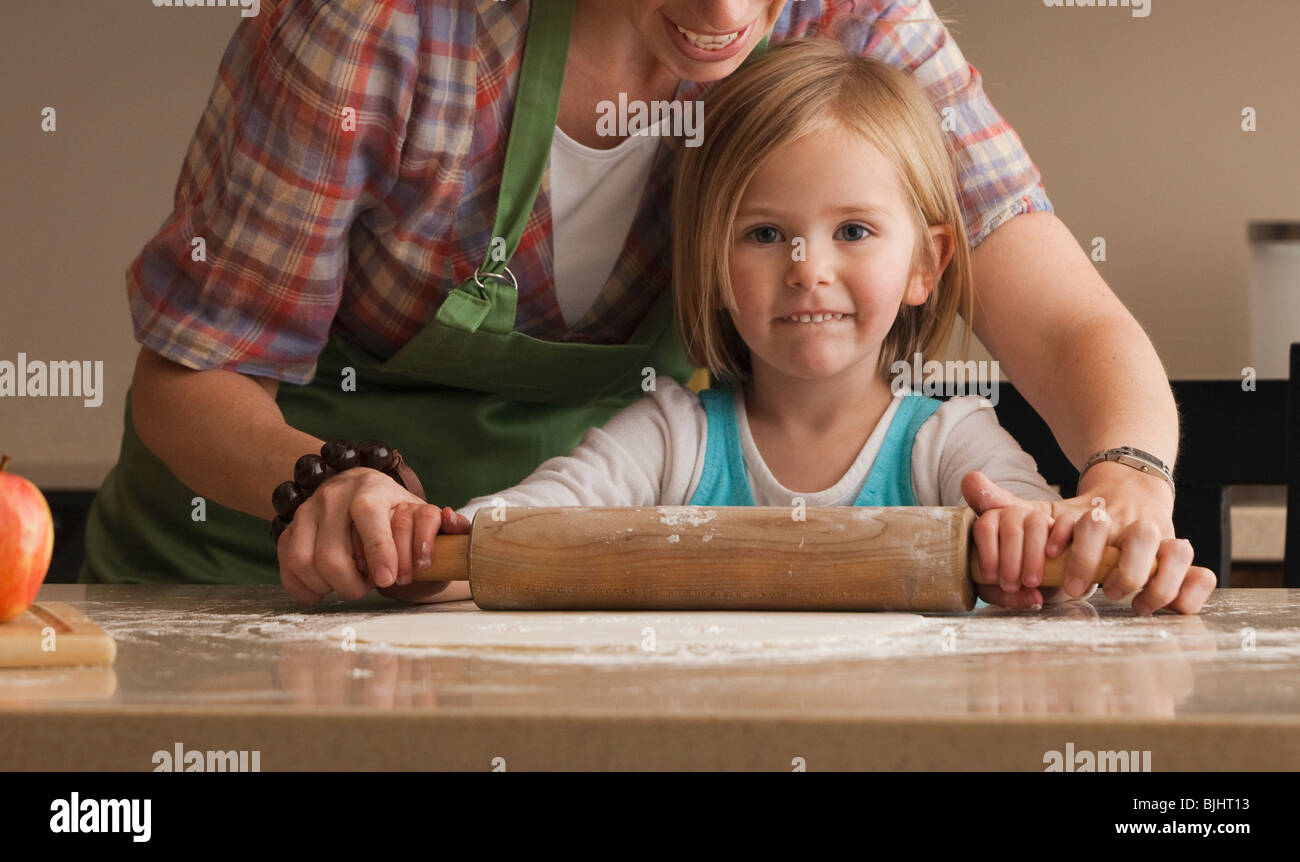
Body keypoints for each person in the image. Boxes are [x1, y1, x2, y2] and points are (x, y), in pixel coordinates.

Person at [80, 0, 1190, 615]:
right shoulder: (392, 6)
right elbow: (193, 371)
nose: (726, 10)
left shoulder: (849, 10)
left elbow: (1062, 318)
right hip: (246, 583)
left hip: (551, 598)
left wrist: (1125, 476)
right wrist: (315, 487)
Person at [367, 38, 1214, 614]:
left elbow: (1039, 542)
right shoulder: (669, 438)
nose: (809, 267)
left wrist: (1040, 542)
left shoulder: (952, 445)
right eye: (766, 234)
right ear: (712, 266)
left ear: (927, 263)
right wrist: (422, 552)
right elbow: (519, 531)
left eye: (853, 231)